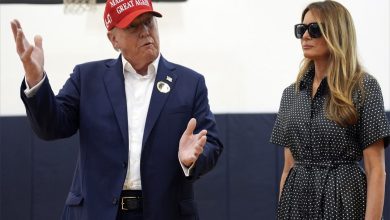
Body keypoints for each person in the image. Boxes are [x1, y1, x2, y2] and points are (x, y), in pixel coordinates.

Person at [10, 0, 223, 219]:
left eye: (149, 22)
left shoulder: (190, 82)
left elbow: (212, 143)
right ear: (113, 39)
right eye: (133, 26)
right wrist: (35, 79)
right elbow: (51, 127)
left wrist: (190, 160)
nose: (145, 32)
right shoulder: (87, 78)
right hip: (96, 211)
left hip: (164, 212)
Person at [270, 1, 390, 219]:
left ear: (337, 33)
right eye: (301, 29)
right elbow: (288, 168)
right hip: (297, 204)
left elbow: (376, 171)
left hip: (344, 200)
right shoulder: (291, 94)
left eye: (314, 29)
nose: (305, 36)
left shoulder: (364, 88)